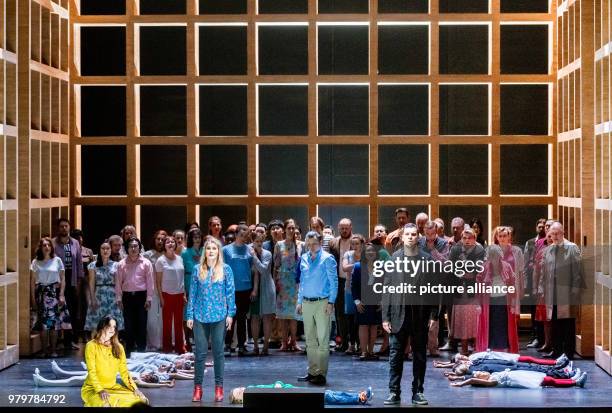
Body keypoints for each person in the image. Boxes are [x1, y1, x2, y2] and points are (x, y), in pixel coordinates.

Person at [382, 224, 437, 406]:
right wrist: (385, 317)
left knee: (420, 355)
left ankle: (418, 392)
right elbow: (387, 290)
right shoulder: (393, 259)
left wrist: (434, 316)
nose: (411, 237)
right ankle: (394, 392)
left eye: (414, 234)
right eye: (408, 234)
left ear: (418, 237)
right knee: (395, 355)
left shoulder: (428, 260)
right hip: (398, 314)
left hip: (420, 315)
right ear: (403, 237)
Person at [186, 237, 236, 403]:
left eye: (214, 248)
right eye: (208, 249)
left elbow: (230, 293)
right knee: (200, 353)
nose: (211, 251)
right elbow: (192, 293)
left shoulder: (226, 269)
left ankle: (219, 387)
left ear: (218, 251)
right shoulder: (197, 269)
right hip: (200, 316)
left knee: (218, 353)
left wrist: (230, 314)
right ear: (204, 252)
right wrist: (189, 315)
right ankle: (198, 388)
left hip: (219, 316)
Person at [296, 231, 338, 386]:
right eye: (309, 243)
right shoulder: (304, 258)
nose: (311, 246)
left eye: (314, 243)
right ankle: (312, 371)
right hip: (306, 302)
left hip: (322, 302)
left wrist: (331, 302)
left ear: (320, 242)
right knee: (310, 340)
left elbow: (334, 282)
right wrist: (299, 302)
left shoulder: (328, 258)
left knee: (323, 339)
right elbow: (302, 281)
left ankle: (321, 373)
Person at [81, 316, 149, 407]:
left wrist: (135, 389)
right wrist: (100, 390)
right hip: (93, 389)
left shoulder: (119, 347)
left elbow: (124, 372)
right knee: (106, 405)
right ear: (102, 327)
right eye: (109, 326)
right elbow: (92, 371)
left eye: (114, 327)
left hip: (113, 388)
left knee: (141, 400)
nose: (112, 329)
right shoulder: (91, 346)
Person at [476, 227, 525, 353]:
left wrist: (520, 289)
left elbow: (520, 272)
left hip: (509, 290)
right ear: (496, 237)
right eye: (500, 236)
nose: (503, 238)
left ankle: (508, 348)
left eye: (505, 235)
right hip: (491, 293)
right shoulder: (491, 251)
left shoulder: (516, 251)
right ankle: (490, 347)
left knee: (509, 321)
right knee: (492, 321)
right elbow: (482, 275)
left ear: (509, 236)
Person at [540, 222, 583, 359]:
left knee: (567, 323)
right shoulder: (549, 249)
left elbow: (577, 271)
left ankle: (568, 352)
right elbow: (544, 271)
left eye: (558, 233)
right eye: (553, 234)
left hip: (567, 291)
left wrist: (575, 290)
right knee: (554, 322)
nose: (555, 236)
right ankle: (556, 350)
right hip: (552, 290)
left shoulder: (572, 247)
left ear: (563, 233)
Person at [30, 237, 71, 358]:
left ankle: (53, 350)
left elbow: (63, 279)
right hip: (41, 294)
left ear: (51, 247)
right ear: (41, 248)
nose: (47, 247)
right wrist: (33, 299)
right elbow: (32, 282)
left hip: (54, 294)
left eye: (48, 245)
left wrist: (62, 294)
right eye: (44, 245)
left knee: (53, 324)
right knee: (43, 325)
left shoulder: (57, 260)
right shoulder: (35, 262)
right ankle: (43, 350)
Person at [448, 228, 485, 355]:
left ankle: (476, 350)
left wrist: (467, 270)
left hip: (473, 290)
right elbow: (451, 266)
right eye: (464, 238)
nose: (467, 240)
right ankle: (463, 350)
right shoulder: (455, 249)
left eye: (470, 238)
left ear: (474, 239)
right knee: (462, 320)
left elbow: (479, 267)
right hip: (458, 289)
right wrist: (463, 272)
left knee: (474, 319)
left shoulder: (480, 250)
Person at [115, 237, 154, 357]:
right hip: (127, 297)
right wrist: (119, 298)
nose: (133, 248)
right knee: (129, 325)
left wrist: (149, 298)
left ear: (139, 247)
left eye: (136, 246)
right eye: (131, 246)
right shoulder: (121, 264)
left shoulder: (146, 263)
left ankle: (141, 351)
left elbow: (150, 282)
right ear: (127, 248)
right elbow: (118, 282)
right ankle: (129, 352)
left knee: (141, 324)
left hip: (141, 296)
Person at [223, 224, 255, 356]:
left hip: (245, 288)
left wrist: (254, 289)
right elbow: (222, 270)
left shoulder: (250, 250)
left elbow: (254, 270)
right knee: (231, 318)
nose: (243, 237)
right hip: (231, 289)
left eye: (245, 235)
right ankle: (228, 344)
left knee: (242, 318)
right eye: (241, 234)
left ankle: (242, 345)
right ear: (236, 234)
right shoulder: (226, 250)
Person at [52, 218, 83, 352]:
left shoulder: (75, 243)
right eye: (61, 226)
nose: (64, 228)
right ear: (58, 228)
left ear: (69, 228)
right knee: (59, 311)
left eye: (66, 226)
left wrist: (79, 282)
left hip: (72, 279)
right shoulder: (53, 243)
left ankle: (69, 341)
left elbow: (79, 263)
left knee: (72, 310)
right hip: (58, 281)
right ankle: (58, 340)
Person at [83, 241, 124, 337]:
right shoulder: (93, 265)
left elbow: (118, 283)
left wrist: (119, 298)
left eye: (108, 248)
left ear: (111, 250)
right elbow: (91, 283)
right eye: (103, 248)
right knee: (96, 323)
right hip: (98, 295)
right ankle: (95, 348)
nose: (105, 251)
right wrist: (92, 299)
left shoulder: (116, 265)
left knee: (113, 324)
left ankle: (112, 348)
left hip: (112, 296)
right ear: (99, 250)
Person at [273, 219, 302, 352]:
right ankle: (284, 342)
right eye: (289, 228)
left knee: (294, 315)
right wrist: (275, 282)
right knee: (283, 315)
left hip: (295, 282)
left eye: (293, 228)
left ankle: (294, 342)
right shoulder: (279, 245)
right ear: (285, 230)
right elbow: (276, 265)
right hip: (283, 281)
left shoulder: (300, 245)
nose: (291, 231)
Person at [352, 242, 384, 360]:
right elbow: (354, 286)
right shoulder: (357, 266)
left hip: (376, 302)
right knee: (363, 326)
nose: (370, 253)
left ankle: (371, 351)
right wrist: (357, 301)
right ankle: (364, 352)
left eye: (373, 250)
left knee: (374, 326)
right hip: (362, 302)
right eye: (368, 251)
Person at [155, 236, 186, 354]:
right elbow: (158, 282)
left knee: (179, 324)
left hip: (179, 294)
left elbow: (182, 278)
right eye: (168, 242)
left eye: (173, 242)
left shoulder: (180, 258)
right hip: (166, 295)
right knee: (167, 324)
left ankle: (180, 347)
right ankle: (167, 348)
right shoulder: (160, 260)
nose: (171, 243)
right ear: (164, 245)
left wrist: (184, 294)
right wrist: (161, 297)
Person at [229, 381, 373, 405]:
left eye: (239, 388)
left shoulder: (253, 388)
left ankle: (357, 396)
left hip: (290, 390)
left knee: (327, 393)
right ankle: (357, 399)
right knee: (327, 397)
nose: (242, 389)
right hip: (292, 397)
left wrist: (277, 386)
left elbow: (274, 385)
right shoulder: (254, 398)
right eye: (239, 393)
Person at [329, 218, 353, 353]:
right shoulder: (333, 242)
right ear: (338, 228)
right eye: (342, 228)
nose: (344, 230)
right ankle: (343, 341)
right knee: (340, 313)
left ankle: (354, 342)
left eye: (346, 228)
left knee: (352, 312)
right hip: (338, 281)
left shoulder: (357, 241)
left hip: (352, 281)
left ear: (351, 227)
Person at [249, 233, 275, 355]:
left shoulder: (267, 254)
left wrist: (254, 257)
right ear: (252, 241)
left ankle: (265, 346)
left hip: (267, 288)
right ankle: (255, 346)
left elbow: (263, 270)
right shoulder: (248, 252)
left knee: (267, 318)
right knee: (254, 317)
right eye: (257, 241)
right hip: (253, 289)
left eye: (261, 241)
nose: (259, 244)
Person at [524, 218, 548, 349]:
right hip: (533, 280)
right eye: (539, 226)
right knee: (534, 311)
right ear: (536, 227)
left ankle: (544, 339)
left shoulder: (548, 243)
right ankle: (535, 337)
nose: (541, 228)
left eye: (544, 226)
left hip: (544, 281)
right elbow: (526, 261)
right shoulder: (531, 242)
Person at [143, 230, 167, 352]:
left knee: (163, 319)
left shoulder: (168, 255)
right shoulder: (147, 255)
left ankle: (164, 343)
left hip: (165, 291)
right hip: (151, 291)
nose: (160, 241)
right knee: (151, 319)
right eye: (158, 239)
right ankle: (152, 344)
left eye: (163, 240)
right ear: (154, 240)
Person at [341, 234, 365, 355]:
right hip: (350, 289)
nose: (355, 246)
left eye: (357, 244)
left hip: (364, 290)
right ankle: (351, 344)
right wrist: (358, 265)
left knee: (361, 317)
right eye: (353, 244)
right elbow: (344, 268)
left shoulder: (366, 255)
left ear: (362, 244)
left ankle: (361, 344)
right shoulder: (348, 254)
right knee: (350, 318)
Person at [449, 369, 587, 389]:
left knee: (548, 378)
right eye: (480, 373)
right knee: (550, 382)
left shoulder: (493, 375)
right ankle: (575, 382)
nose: (482, 371)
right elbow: (472, 380)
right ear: (480, 379)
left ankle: (573, 379)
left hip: (521, 375)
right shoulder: (492, 382)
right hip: (521, 380)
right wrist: (461, 383)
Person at [181, 228, 203, 352]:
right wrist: (183, 290)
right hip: (189, 282)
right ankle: (187, 340)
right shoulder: (185, 253)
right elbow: (182, 272)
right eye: (195, 237)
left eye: (199, 237)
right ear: (191, 239)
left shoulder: (205, 251)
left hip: (203, 284)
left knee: (200, 314)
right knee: (187, 314)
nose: (197, 239)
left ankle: (200, 341)